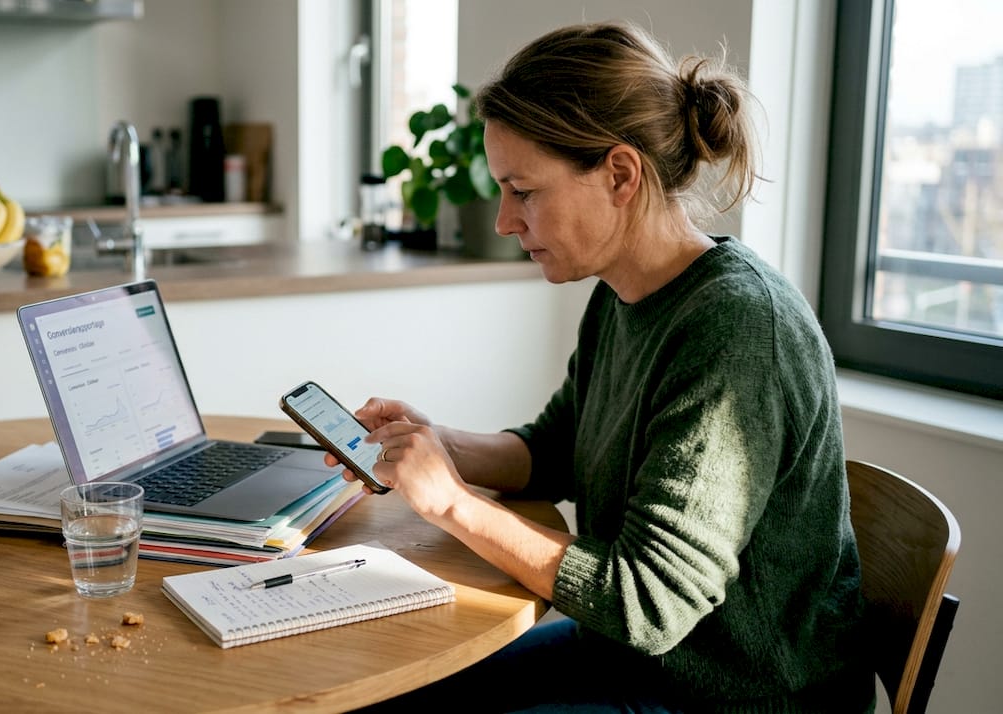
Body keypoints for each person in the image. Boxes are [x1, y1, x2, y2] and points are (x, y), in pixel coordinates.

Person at [338, 20, 874, 713]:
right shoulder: (623, 295)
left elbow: (647, 602)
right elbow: (555, 449)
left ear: (619, 174)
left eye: (522, 190)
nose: (503, 220)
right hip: (633, 663)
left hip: (731, 695)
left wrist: (451, 502)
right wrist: (435, 445)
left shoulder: (737, 329)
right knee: (393, 691)